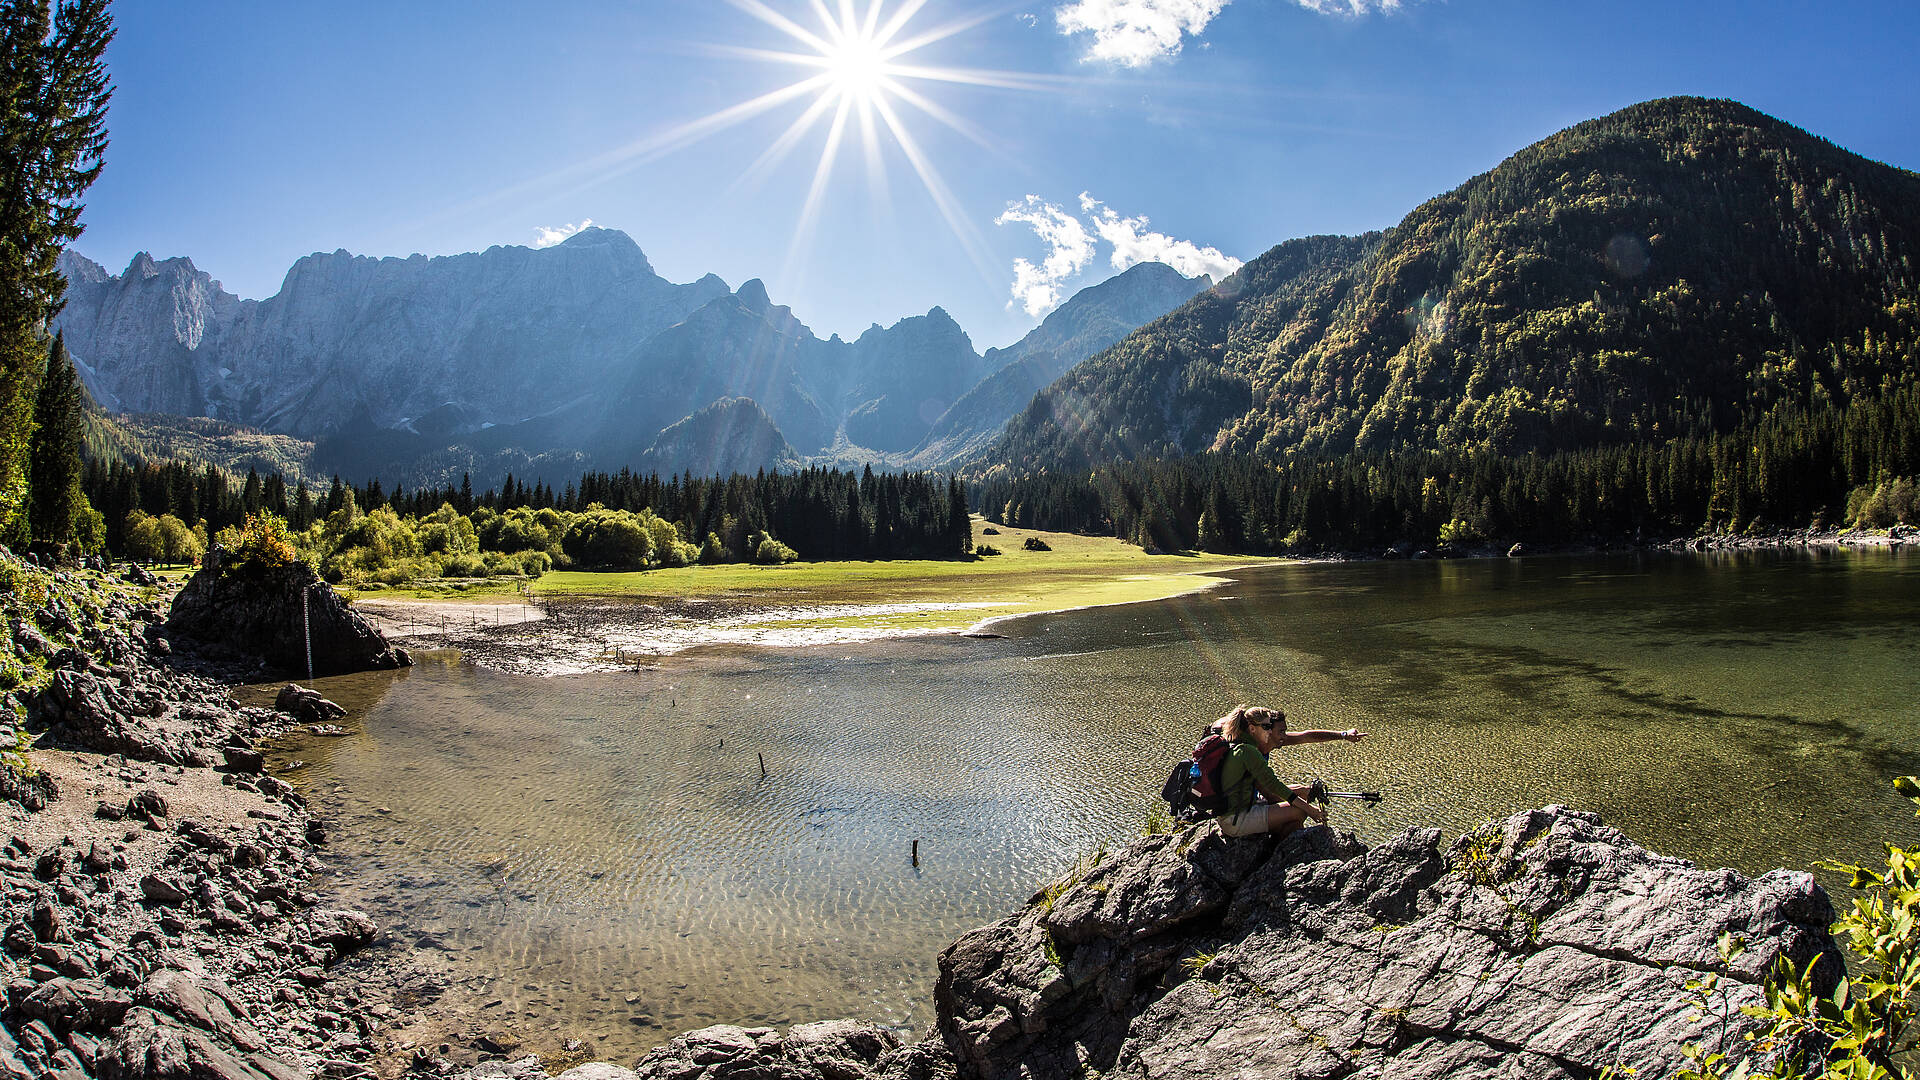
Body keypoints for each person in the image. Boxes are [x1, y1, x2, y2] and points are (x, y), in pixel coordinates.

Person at [1212, 705, 1367, 838]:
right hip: (1237, 817)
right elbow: (1273, 790)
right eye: (1267, 728)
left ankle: (1287, 845)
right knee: (1298, 811)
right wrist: (1311, 810)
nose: (1284, 737)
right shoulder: (1250, 752)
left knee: (1297, 809)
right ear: (1254, 729)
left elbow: (1306, 736)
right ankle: (1284, 851)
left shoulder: (1247, 743)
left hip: (1244, 807)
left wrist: (1343, 735)